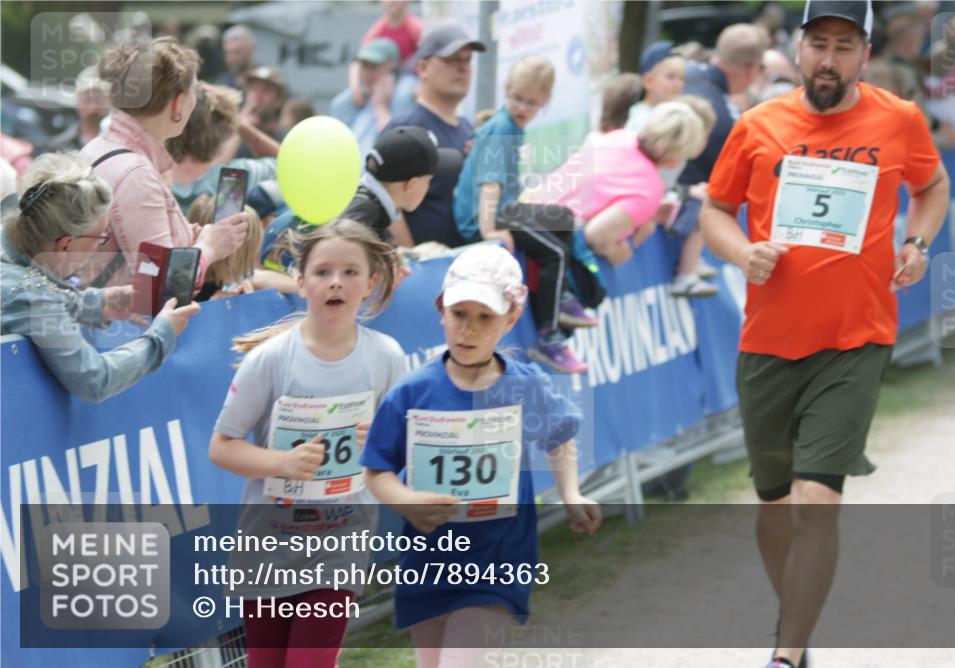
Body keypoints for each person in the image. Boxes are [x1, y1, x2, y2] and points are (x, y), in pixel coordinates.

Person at [699, 2, 950, 667]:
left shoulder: (898, 119)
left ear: (864, 53)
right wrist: (740, 252)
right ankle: (799, 627)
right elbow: (716, 211)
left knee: (817, 499)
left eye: (844, 46)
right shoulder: (757, 125)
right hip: (768, 342)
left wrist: (918, 243)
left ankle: (784, 654)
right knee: (775, 502)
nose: (829, 59)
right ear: (799, 48)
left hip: (856, 337)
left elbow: (933, 185)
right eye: (818, 44)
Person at [361, 244, 602, 668]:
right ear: (441, 310)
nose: (468, 330)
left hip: (498, 563)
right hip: (428, 563)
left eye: (485, 317)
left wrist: (572, 493)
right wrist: (404, 500)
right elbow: (377, 469)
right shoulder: (412, 392)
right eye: (459, 314)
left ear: (510, 319)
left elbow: (560, 438)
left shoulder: (525, 385)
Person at [209, 219, 404, 668]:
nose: (336, 282)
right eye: (322, 272)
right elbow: (221, 447)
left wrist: (379, 443)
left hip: (341, 542)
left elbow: (399, 452)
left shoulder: (385, 357)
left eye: (350, 272)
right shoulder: (271, 360)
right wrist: (283, 462)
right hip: (269, 545)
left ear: (370, 282)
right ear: (300, 281)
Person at [0, 152, 200, 403]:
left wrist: (100, 303)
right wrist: (162, 335)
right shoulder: (30, 295)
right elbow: (95, 380)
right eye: (100, 238)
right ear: (65, 245)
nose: (103, 245)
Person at [453, 55, 593, 374]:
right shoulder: (502, 127)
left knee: (563, 217)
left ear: (544, 102)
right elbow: (490, 185)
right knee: (555, 253)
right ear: (506, 89)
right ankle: (549, 338)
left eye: (531, 103)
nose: (523, 107)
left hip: (503, 210)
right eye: (517, 98)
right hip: (483, 217)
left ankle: (565, 294)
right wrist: (489, 232)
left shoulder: (513, 127)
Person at [79, 37, 249, 289]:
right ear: (178, 103)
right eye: (194, 91)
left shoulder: (97, 147)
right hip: (124, 327)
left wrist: (198, 236)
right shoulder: (135, 174)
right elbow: (160, 285)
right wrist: (210, 248)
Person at [527, 101, 705, 267]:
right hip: (549, 250)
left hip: (528, 221)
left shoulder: (617, 136)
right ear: (674, 159)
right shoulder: (650, 189)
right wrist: (620, 253)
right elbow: (598, 236)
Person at [675, 24, 767, 297]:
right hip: (681, 202)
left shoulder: (684, 72)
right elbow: (722, 186)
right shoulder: (723, 117)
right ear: (752, 69)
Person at [626, 42, 719, 297]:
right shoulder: (640, 118)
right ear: (648, 80)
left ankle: (691, 258)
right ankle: (685, 273)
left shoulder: (671, 115)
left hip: (658, 192)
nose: (678, 84)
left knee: (702, 196)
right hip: (644, 196)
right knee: (699, 200)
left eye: (681, 78)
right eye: (670, 77)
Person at [383, 23, 486, 247]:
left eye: (467, 60)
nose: (463, 68)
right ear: (422, 69)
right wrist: (414, 260)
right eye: (451, 60)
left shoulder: (467, 128)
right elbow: (383, 200)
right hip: (428, 273)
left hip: (467, 267)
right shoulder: (407, 127)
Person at [166, 82, 280, 213]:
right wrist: (239, 122)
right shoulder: (231, 179)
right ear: (224, 130)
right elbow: (287, 164)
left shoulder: (152, 174)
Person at [342, 125, 462, 246]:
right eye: (428, 180)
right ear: (411, 185)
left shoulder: (370, 204)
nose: (428, 186)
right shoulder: (363, 216)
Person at [329, 38, 409, 159]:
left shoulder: (404, 98)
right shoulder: (349, 101)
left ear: (392, 67)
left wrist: (380, 107)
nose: (367, 73)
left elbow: (398, 146)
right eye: (364, 66)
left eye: (374, 66)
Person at [42, 67, 111, 154]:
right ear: (77, 102)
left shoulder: (118, 142)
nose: (92, 108)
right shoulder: (59, 146)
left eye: (98, 100)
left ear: (109, 101)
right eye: (87, 100)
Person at [217, 24, 256, 90]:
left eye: (237, 52)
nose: (231, 59)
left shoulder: (264, 81)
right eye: (227, 53)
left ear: (251, 49)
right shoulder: (223, 84)